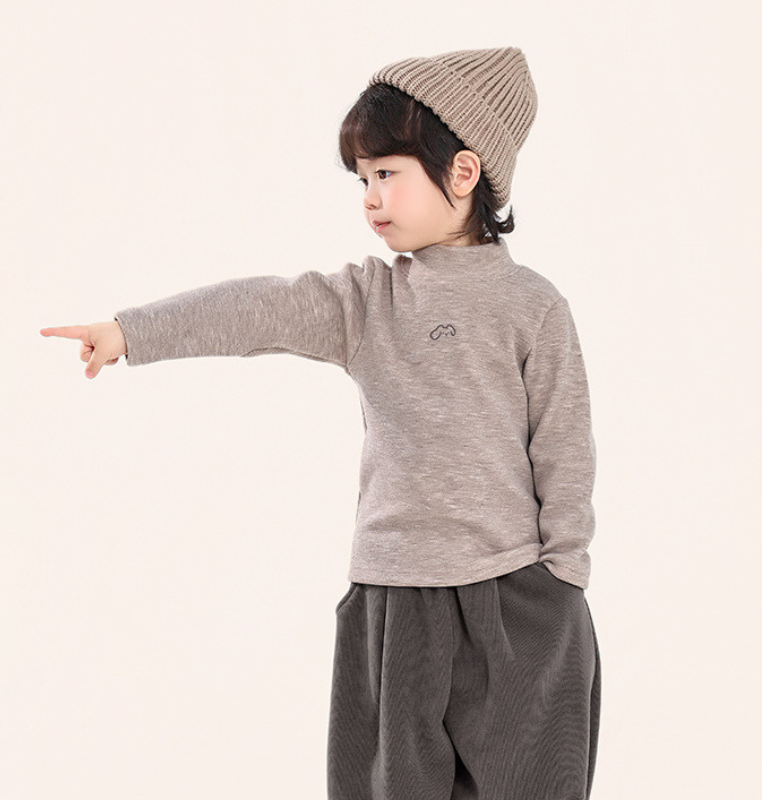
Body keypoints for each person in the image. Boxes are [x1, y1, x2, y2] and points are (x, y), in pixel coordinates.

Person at [41, 46, 601, 800]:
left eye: (387, 173)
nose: (370, 197)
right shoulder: (367, 302)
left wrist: (562, 580)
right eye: (362, 179)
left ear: (464, 173)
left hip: (516, 604)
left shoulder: (534, 306)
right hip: (395, 606)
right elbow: (260, 308)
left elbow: (564, 450)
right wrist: (130, 331)